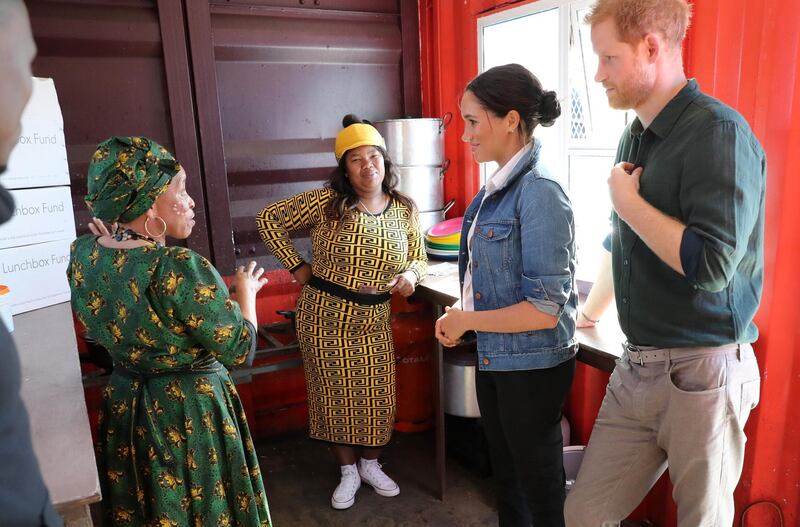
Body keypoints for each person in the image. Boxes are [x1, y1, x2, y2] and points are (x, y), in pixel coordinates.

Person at [564, 0, 766, 525]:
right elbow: (622, 239)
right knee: (584, 513)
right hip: (637, 366)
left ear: (651, 48)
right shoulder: (636, 133)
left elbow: (714, 265)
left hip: (703, 371)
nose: (597, 73)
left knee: (703, 520)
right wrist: (590, 312)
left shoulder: (718, 133)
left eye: (609, 59)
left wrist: (627, 203)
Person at [67, 136, 272, 526]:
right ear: (146, 202)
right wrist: (247, 295)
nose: (191, 200)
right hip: (188, 412)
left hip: (128, 405)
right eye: (180, 189)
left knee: (148, 508)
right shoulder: (176, 267)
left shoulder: (85, 254)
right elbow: (240, 349)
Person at [256, 114, 427, 510]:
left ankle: (370, 464)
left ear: (386, 162)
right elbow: (269, 220)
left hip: (374, 317)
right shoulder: (327, 203)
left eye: (374, 156)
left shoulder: (404, 209)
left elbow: (418, 256)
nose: (368, 165)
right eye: (356, 159)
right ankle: (347, 471)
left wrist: (411, 275)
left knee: (377, 396)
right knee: (334, 397)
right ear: (344, 170)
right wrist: (298, 267)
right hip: (325, 315)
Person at [435, 63, 578, 527]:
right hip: (499, 356)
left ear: (511, 120)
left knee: (539, 491)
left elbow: (543, 309)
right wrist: (464, 309)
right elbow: (491, 277)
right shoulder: (497, 187)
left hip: (532, 366)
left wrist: (468, 321)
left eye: (473, 122)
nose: (465, 136)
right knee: (508, 480)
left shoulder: (539, 193)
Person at [0, 1, 63, 525]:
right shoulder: (186, 272)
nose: (28, 89)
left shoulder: (90, 256)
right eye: (22, 65)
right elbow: (234, 344)